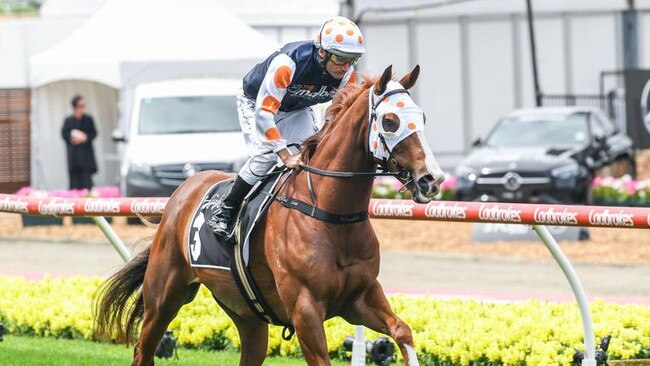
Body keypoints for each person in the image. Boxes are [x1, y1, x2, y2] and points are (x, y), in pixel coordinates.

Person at [208, 16, 366, 237]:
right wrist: (284, 154)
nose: (346, 67)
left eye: (353, 59)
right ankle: (226, 211)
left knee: (316, 153)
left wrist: (323, 135)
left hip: (298, 107)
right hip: (257, 104)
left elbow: (336, 113)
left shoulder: (346, 73)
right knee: (266, 157)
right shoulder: (289, 62)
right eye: (340, 58)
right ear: (322, 52)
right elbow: (265, 114)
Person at [61, 95, 98, 190]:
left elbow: (94, 133)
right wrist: (72, 138)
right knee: (74, 184)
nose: (83, 108)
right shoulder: (68, 120)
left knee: (87, 184)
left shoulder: (88, 119)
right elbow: (64, 134)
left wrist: (84, 138)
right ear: (75, 106)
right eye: (81, 105)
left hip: (86, 158)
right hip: (74, 157)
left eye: (84, 105)